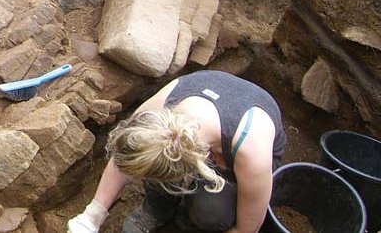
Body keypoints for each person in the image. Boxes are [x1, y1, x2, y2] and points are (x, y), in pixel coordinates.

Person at [68, 70, 287, 233]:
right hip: (203, 148)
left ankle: (189, 221)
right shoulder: (156, 114)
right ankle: (157, 208)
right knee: (153, 164)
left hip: (236, 165)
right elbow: (126, 156)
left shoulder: (252, 152)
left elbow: (248, 229)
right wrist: (91, 216)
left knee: (211, 211)